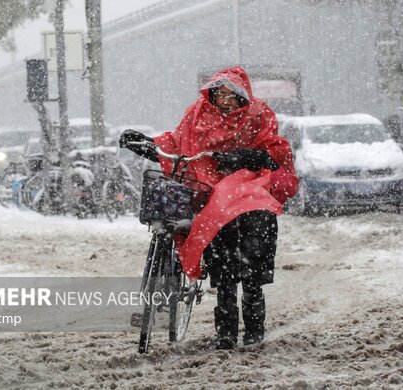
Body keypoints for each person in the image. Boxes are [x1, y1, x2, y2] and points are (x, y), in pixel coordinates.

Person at [120, 66, 298, 349]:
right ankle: (225, 333)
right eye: (221, 94)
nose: (226, 100)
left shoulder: (259, 114)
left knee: (252, 269)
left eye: (232, 94)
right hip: (209, 195)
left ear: (243, 96)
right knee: (224, 270)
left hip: (250, 193)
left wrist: (242, 157)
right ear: (212, 94)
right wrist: (147, 144)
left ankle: (254, 328)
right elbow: (178, 142)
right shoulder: (197, 113)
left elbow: (276, 153)